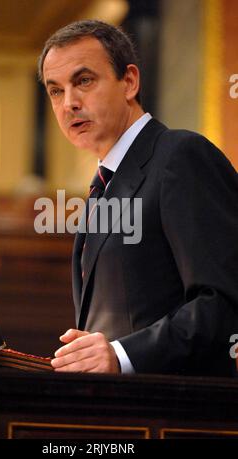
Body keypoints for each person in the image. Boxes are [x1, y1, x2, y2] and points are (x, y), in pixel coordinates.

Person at [38, 19, 238, 376]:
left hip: (177, 419)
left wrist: (122, 356)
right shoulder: (104, 187)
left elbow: (224, 304)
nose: (69, 103)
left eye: (83, 81)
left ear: (129, 81)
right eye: (55, 91)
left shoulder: (180, 156)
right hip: (119, 416)